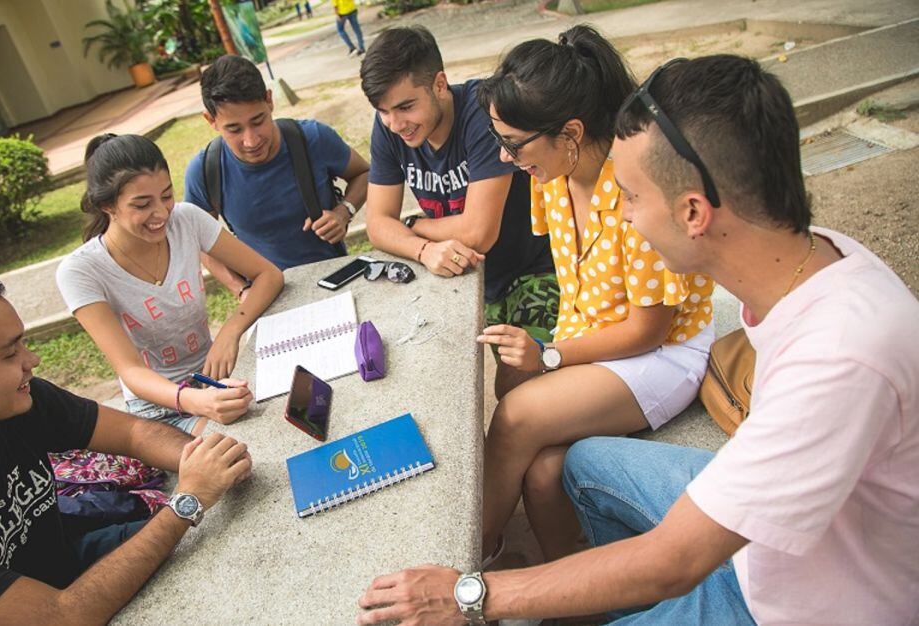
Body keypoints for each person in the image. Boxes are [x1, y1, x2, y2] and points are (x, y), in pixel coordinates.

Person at [357, 54, 919, 625]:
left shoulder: (840, 358)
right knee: (571, 465)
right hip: (769, 542)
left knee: (542, 450)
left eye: (630, 196)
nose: (621, 216)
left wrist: (466, 596)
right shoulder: (810, 258)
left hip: (786, 601)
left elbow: (673, 560)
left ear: (693, 211)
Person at [0, 268, 253, 625]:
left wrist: (205, 460)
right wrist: (187, 501)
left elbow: (133, 434)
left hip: (70, 561)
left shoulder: (15, 402)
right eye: (10, 354)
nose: (33, 359)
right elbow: (63, 616)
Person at [474, 26, 716, 568]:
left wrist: (551, 357)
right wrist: (553, 354)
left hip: (664, 352)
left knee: (514, 417)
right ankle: (574, 598)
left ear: (571, 132)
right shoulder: (551, 176)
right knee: (542, 473)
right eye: (500, 140)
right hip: (598, 341)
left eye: (514, 143)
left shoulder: (636, 193)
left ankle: (466, 563)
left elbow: (649, 330)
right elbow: (575, 289)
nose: (505, 157)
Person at [360, 27, 556, 398]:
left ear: (439, 84)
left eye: (405, 107)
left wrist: (415, 225)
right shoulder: (389, 128)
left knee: (516, 397)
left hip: (533, 273)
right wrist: (423, 249)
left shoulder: (482, 114)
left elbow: (479, 233)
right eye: (383, 111)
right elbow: (375, 225)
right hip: (474, 282)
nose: (395, 124)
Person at [57, 133, 283, 434]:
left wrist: (231, 331)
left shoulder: (186, 219)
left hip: (215, 379)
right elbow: (130, 370)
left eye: (166, 195)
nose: (161, 213)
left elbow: (269, 275)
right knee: (243, 445)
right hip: (158, 409)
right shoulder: (80, 270)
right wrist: (199, 402)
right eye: (142, 205)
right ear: (107, 205)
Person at [184, 55, 369, 288]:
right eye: (234, 129)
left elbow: (365, 173)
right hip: (265, 293)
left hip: (335, 281)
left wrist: (344, 212)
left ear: (269, 101)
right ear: (211, 120)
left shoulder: (313, 138)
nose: (251, 140)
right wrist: (240, 290)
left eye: (258, 120)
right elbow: (199, 241)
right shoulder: (203, 171)